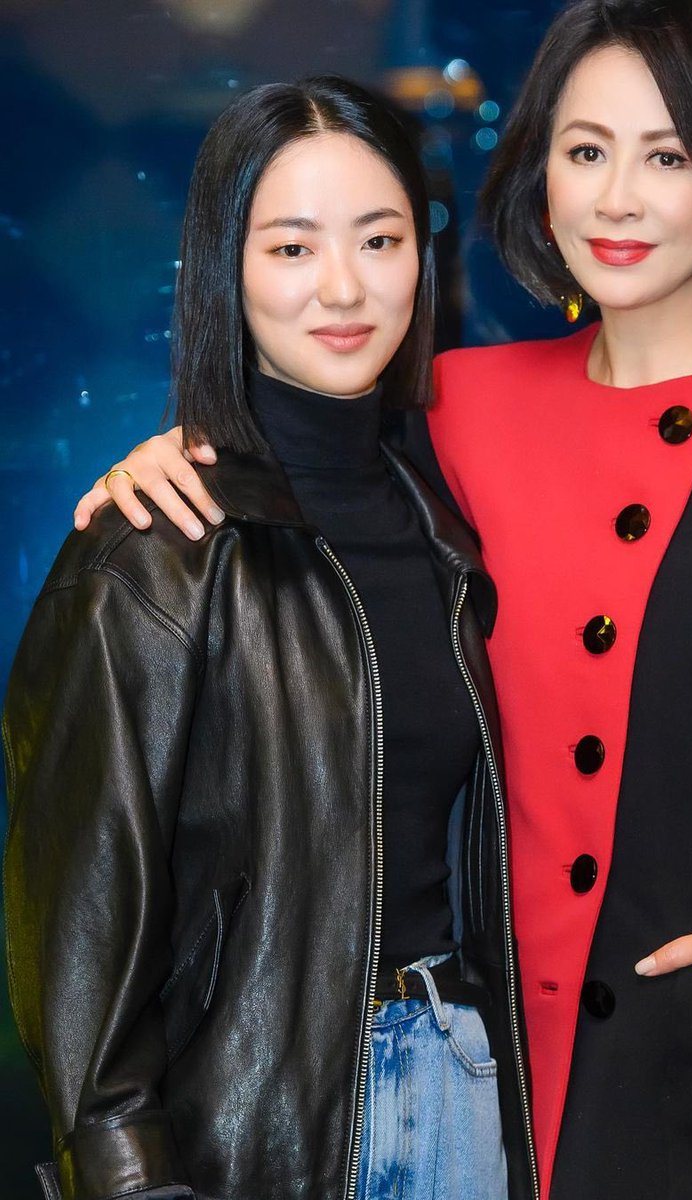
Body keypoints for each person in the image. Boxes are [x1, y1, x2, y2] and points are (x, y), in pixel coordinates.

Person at [70, 2, 692, 1197]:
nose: (619, 199)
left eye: (670, 156)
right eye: (586, 152)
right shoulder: (458, 405)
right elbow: (309, 429)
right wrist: (175, 452)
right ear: (541, 180)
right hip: (494, 1084)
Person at [3, 76, 539, 1200]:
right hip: (249, 1136)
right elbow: (79, 926)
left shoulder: (446, 522)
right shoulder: (156, 549)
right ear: (224, 272)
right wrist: (128, 1181)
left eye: (380, 238)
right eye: (291, 248)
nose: (344, 287)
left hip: (463, 1087)